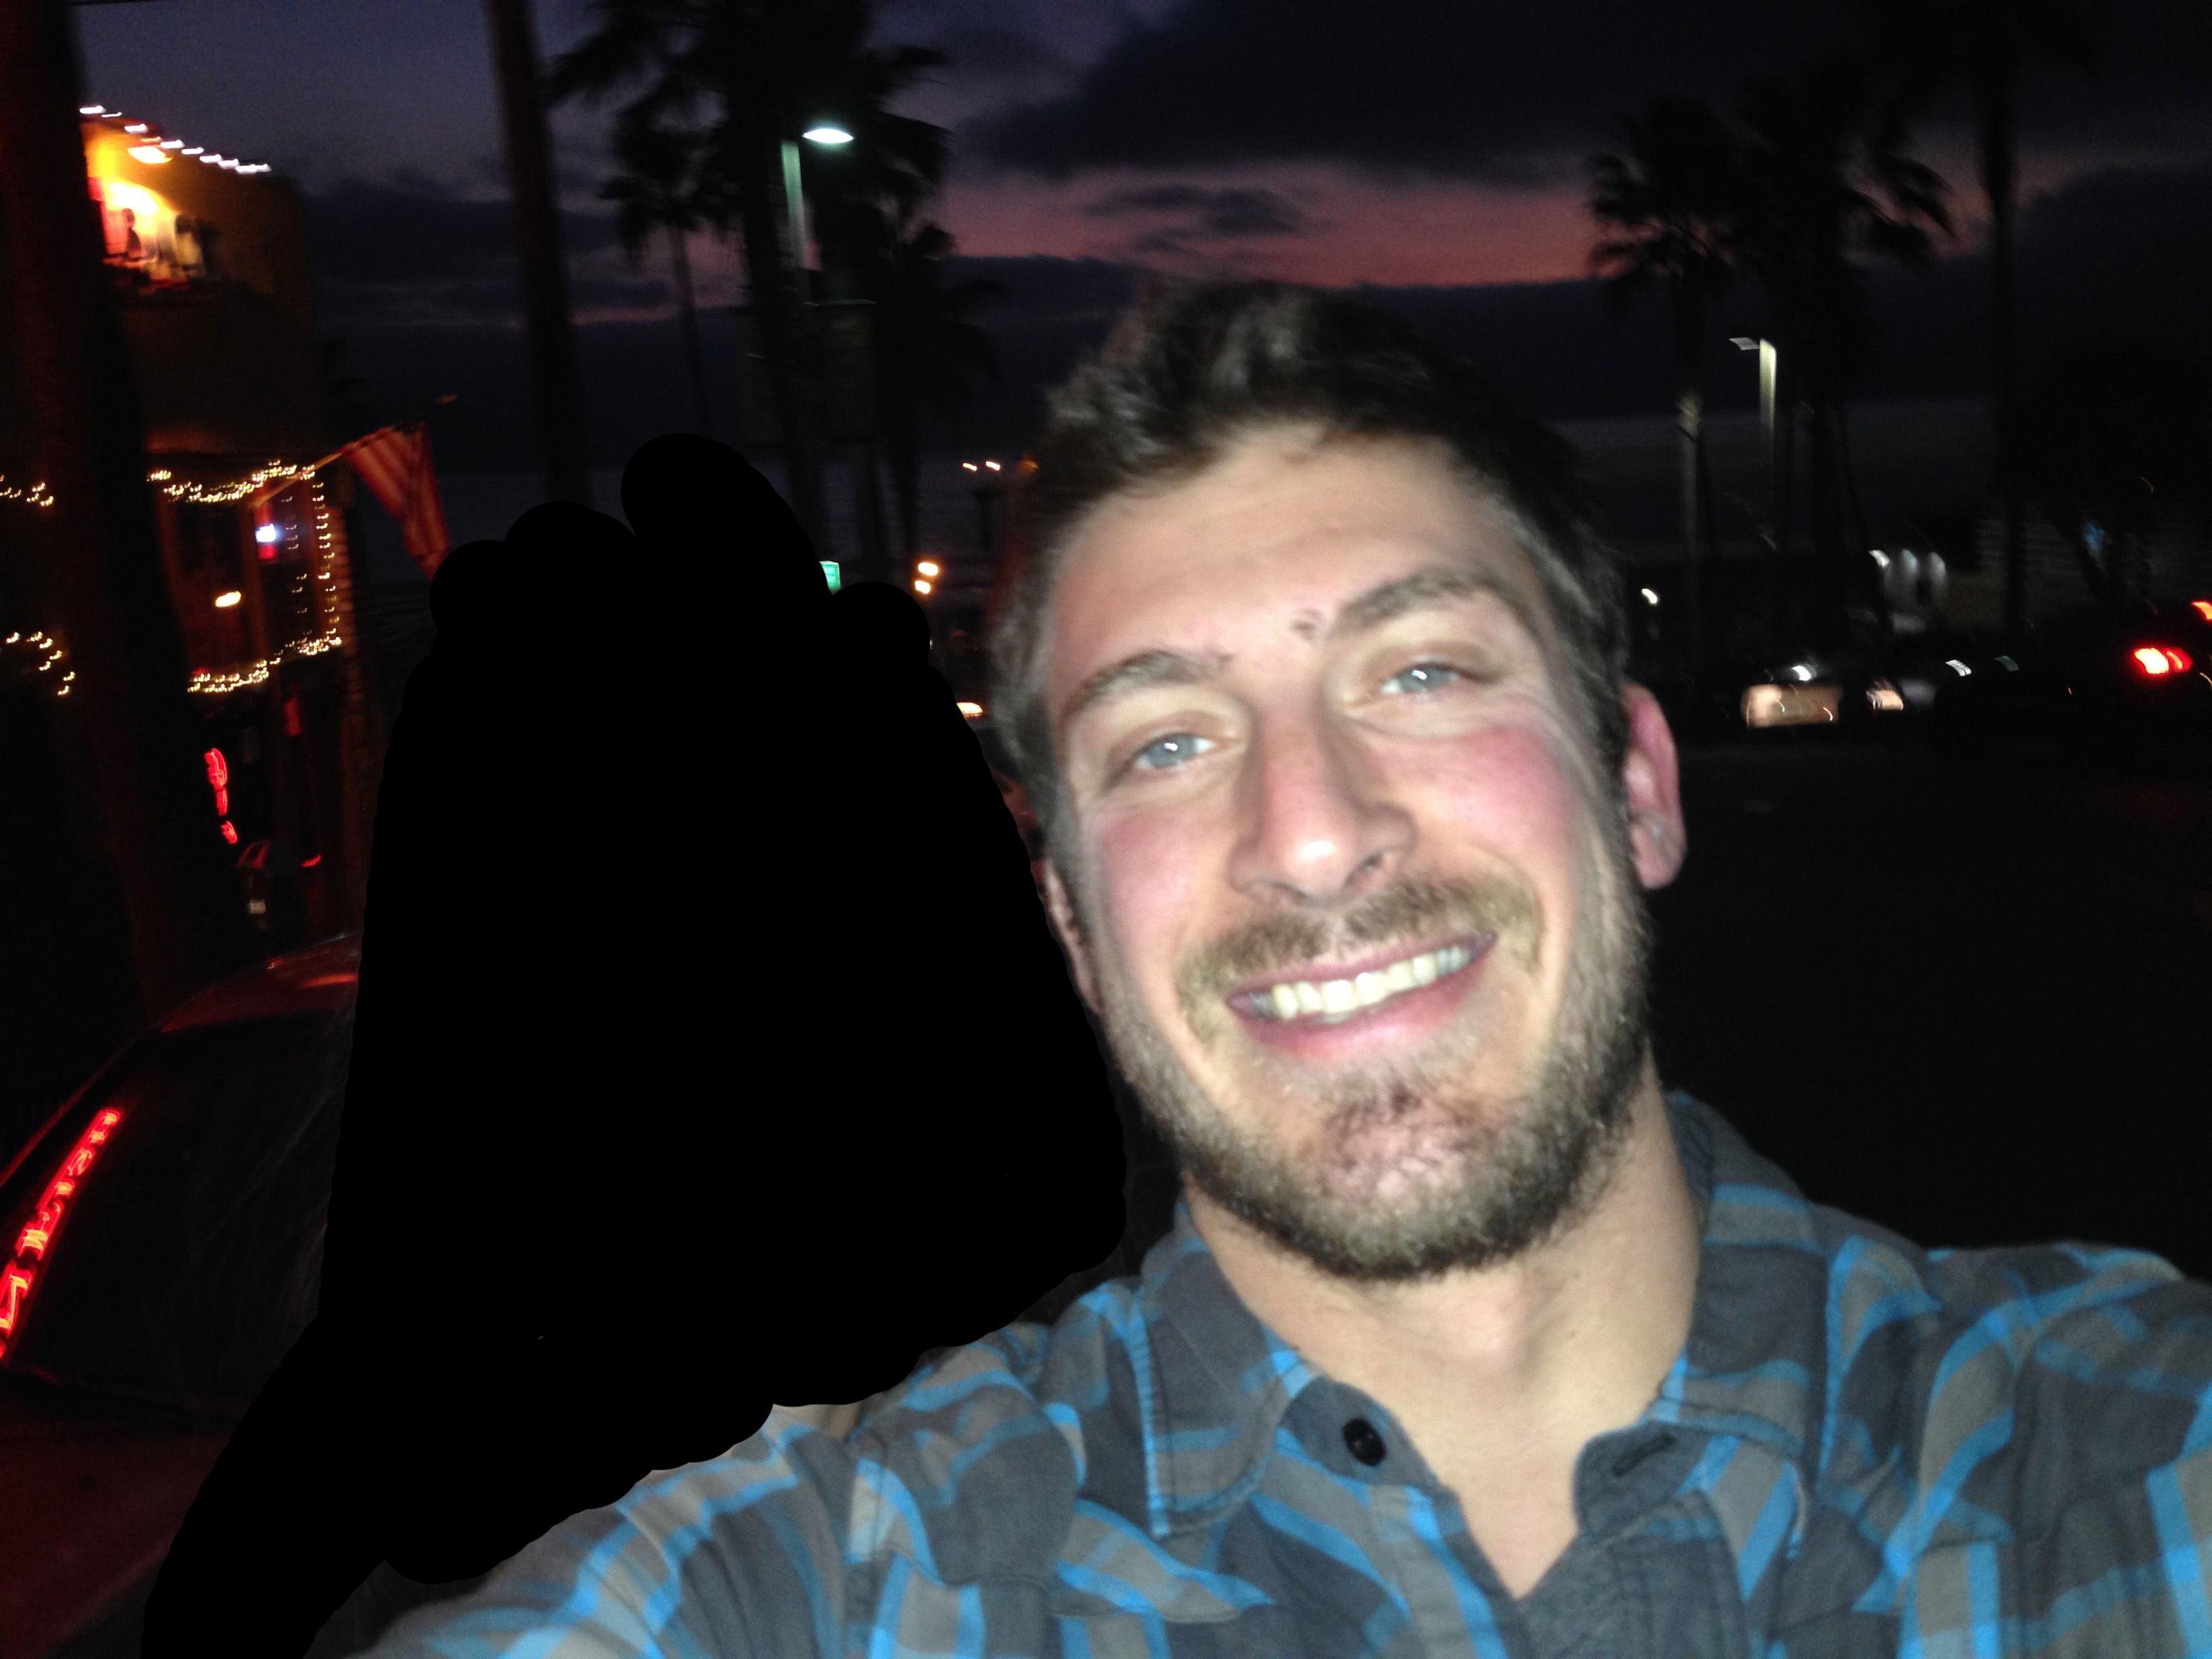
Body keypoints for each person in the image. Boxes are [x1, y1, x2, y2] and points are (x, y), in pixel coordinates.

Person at [356, 283, 2212, 1657]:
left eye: (1421, 672)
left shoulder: (2129, 1452)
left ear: (1639, 784)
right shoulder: (845, 1584)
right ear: (1072, 930)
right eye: (1167, 740)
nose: (1311, 834)